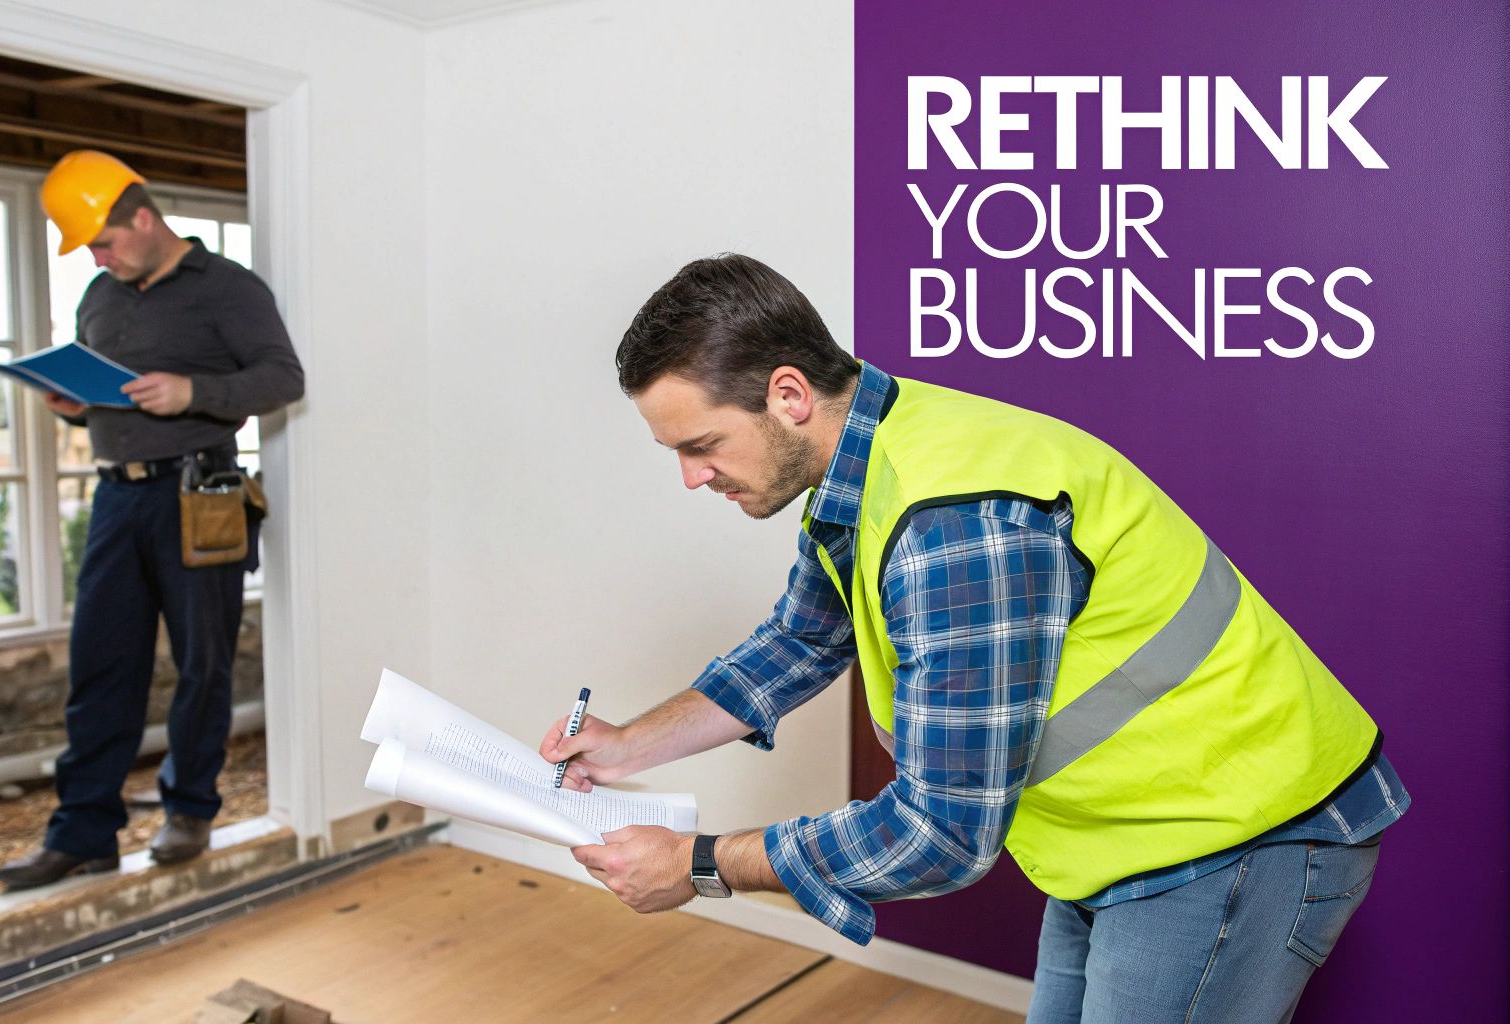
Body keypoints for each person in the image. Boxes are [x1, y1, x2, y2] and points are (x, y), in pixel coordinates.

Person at [539, 253, 1407, 1022]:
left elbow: (940, 834)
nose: (693, 478)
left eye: (701, 445)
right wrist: (626, 747)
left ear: (789, 395)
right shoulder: (871, 457)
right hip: (1120, 834)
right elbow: (800, 643)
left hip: (1234, 837)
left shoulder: (952, 525)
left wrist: (700, 865)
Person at [0, 151, 305, 889]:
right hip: (116, 497)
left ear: (143, 217)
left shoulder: (227, 288)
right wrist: (75, 400)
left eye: (103, 241)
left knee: (202, 663)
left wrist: (193, 390)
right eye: (90, 250)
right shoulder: (101, 296)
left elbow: (282, 378)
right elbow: (110, 386)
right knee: (100, 665)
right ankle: (83, 832)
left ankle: (190, 808)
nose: (97, 258)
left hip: (202, 495)